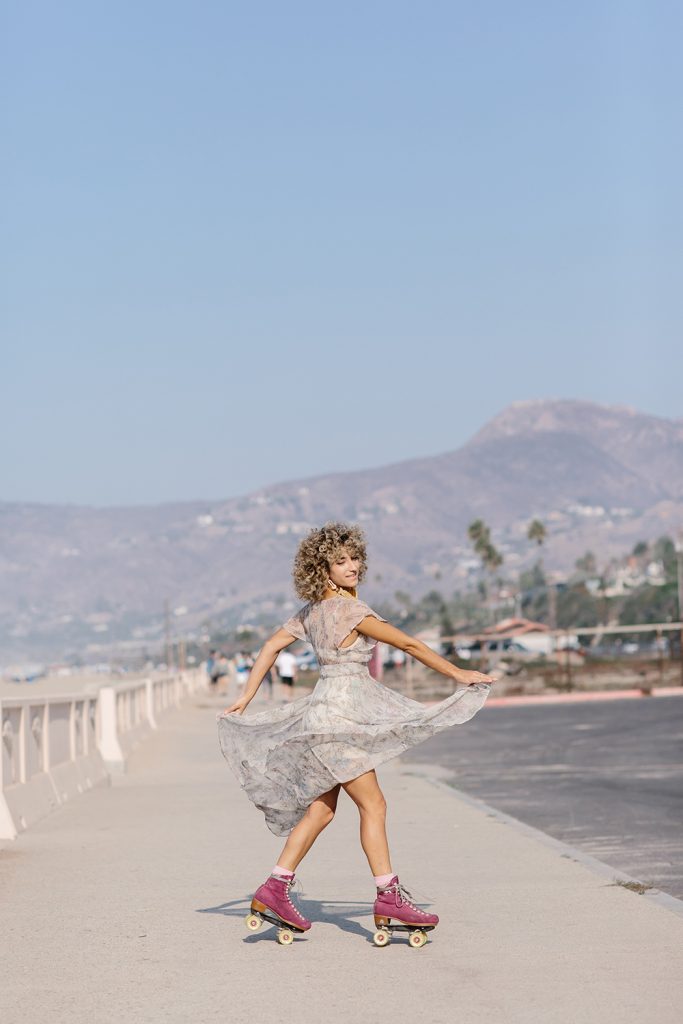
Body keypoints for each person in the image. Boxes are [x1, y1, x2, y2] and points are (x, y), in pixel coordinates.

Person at [217, 522, 494, 943]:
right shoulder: (351, 612)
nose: (353, 566)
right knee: (375, 805)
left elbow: (271, 646)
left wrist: (247, 695)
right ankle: (388, 895)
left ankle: (275, 888)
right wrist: (458, 673)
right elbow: (411, 645)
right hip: (341, 721)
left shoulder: (310, 614)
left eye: (355, 557)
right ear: (322, 568)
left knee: (321, 811)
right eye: (340, 561)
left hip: (324, 715)